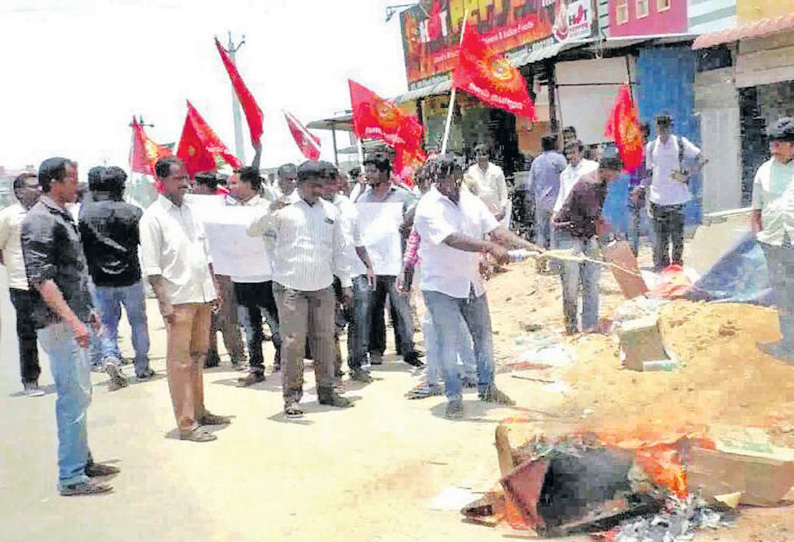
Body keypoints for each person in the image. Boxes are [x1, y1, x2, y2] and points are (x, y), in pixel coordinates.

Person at [414, 155, 542, 419]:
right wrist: (488, 247)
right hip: (441, 286)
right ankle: (454, 397)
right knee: (448, 343)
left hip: (471, 282)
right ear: (437, 180)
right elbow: (452, 239)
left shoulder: (469, 200)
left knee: (483, 338)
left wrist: (530, 247)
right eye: (449, 179)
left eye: (458, 177)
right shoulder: (427, 207)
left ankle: (488, 387)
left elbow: (496, 230)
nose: (455, 183)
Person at [21, 157, 118, 496]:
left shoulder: (60, 215)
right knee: (72, 398)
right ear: (52, 183)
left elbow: (71, 271)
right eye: (71, 179)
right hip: (58, 323)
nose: (76, 186)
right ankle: (72, 476)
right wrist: (73, 319)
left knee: (81, 393)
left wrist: (86, 310)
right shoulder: (40, 221)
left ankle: (82, 461)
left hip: (71, 316)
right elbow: (41, 278)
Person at [248, 160, 353, 419]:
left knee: (325, 340)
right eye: (315, 185)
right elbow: (253, 231)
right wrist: (269, 209)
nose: (320, 190)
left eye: (323, 185)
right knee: (293, 343)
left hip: (323, 286)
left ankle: (327, 391)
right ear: (301, 182)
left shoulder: (330, 211)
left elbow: (339, 250)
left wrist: (347, 284)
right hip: (290, 287)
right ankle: (292, 397)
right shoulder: (284, 209)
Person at [140, 157, 231, 442]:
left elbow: (205, 252)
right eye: (178, 179)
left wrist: (214, 284)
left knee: (198, 356)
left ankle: (200, 411)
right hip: (177, 299)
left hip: (201, 293)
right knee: (179, 362)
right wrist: (163, 302)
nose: (185, 184)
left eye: (185, 178)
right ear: (162, 181)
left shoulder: (191, 211)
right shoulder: (153, 217)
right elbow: (152, 266)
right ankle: (186, 423)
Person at [79, 166, 153, 387]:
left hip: (100, 278)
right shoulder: (133, 212)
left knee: (108, 324)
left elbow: (82, 249)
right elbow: (145, 244)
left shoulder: (86, 214)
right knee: (138, 322)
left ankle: (110, 356)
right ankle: (142, 366)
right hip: (131, 275)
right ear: (121, 186)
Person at [356, 153, 423, 368]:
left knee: (400, 308)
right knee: (373, 310)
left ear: (385, 173)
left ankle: (407, 349)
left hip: (396, 263)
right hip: (372, 265)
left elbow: (418, 211)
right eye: (366, 170)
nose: (368, 175)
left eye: (372, 170)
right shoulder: (361, 199)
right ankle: (375, 350)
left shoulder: (403, 197)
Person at [552, 149, 625, 335]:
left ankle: (590, 326)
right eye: (617, 172)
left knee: (591, 282)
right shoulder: (588, 185)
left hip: (585, 233)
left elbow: (597, 217)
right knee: (571, 284)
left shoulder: (602, 183)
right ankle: (571, 327)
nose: (618, 177)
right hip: (568, 235)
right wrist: (610, 243)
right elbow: (595, 219)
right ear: (608, 170)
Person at [318, 161, 376, 383]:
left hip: (355, 271)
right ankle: (334, 371)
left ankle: (358, 364)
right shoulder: (314, 208)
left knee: (359, 321)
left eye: (333, 182)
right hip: (327, 275)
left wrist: (369, 265)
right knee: (329, 325)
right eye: (325, 183)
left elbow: (358, 239)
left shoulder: (349, 205)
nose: (330, 187)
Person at [229, 166, 281, 386]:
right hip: (241, 276)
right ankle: (256, 367)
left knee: (276, 323)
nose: (230, 187)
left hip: (266, 274)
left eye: (234, 183)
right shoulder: (229, 210)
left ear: (250, 184)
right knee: (250, 326)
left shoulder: (267, 208)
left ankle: (283, 360)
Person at [191, 172, 247, 370]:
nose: (191, 188)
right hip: (200, 266)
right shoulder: (189, 209)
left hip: (222, 265)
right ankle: (210, 355)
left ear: (205, 187)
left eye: (195, 184)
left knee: (227, 313)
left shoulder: (226, 206)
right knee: (205, 314)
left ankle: (238, 356)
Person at [751, 117, 794, 362]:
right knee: (784, 296)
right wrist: (759, 236)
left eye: (779, 144)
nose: (773, 150)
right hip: (775, 244)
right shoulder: (764, 171)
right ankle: (789, 346)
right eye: (772, 145)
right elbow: (756, 210)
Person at [0, 172, 44, 396]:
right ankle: (30, 379)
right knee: (27, 333)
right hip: (21, 285)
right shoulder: (8, 216)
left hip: (46, 283)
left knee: (56, 329)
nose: (37, 190)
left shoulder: (45, 212)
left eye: (39, 186)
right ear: (18, 192)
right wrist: (13, 265)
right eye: (32, 187)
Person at [643, 114, 705, 270]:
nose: (663, 131)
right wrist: (642, 189)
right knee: (660, 241)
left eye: (666, 127)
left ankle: (676, 270)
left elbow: (702, 157)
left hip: (677, 199)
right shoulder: (651, 147)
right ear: (656, 128)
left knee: (677, 239)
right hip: (657, 200)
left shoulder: (680, 143)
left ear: (670, 127)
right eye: (660, 127)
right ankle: (662, 270)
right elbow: (649, 172)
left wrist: (688, 174)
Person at [528, 134, 567, 249]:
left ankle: (540, 256)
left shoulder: (536, 161)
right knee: (555, 230)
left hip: (540, 201)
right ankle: (554, 259)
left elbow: (531, 184)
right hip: (556, 201)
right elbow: (567, 177)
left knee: (541, 231)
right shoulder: (559, 159)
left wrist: (533, 201)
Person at [464, 143, 509, 222]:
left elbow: (503, 193)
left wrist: (503, 208)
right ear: (475, 157)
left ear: (488, 156)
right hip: (478, 213)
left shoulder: (496, 170)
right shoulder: (471, 172)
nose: (482, 157)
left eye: (484, 154)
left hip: (496, 212)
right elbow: (468, 193)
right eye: (479, 155)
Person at [627, 122, 651, 256]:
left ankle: (657, 254)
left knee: (650, 223)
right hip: (632, 190)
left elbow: (651, 173)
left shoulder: (649, 150)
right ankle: (632, 253)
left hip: (646, 191)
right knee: (632, 225)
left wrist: (641, 187)